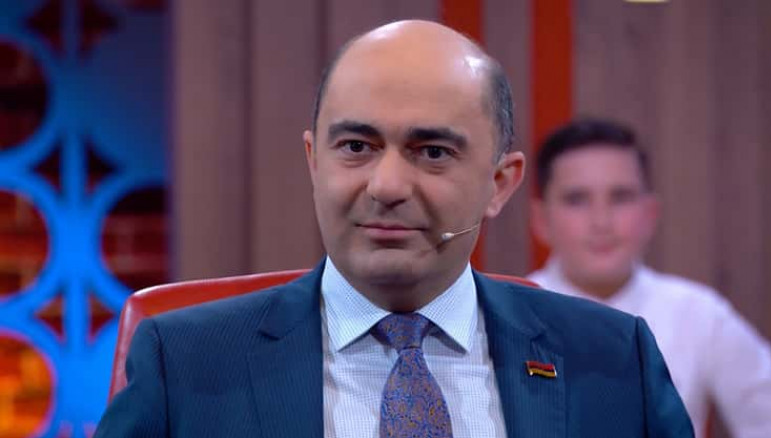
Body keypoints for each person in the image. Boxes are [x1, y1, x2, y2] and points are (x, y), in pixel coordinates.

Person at [95, 21, 693, 437]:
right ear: (314, 162)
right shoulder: (186, 362)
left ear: (500, 183)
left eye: (431, 152)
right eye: (356, 146)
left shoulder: (614, 361)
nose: (385, 185)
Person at [528, 118, 771, 438]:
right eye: (577, 199)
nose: (601, 222)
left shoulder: (698, 314)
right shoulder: (503, 316)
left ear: (650, 214)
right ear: (541, 219)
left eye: (620, 197)